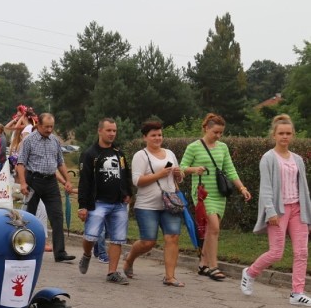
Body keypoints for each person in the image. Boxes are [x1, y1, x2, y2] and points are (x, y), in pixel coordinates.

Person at [241, 114, 311, 305]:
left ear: (293, 135)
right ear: (274, 135)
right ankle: (249, 272)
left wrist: (308, 215)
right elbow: (265, 188)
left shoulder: (297, 159)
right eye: (281, 133)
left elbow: (303, 188)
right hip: (278, 212)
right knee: (276, 253)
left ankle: (297, 293)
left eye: (288, 133)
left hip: (298, 209)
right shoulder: (268, 158)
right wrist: (270, 211)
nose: (285, 137)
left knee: (302, 252)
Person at [180, 113, 252, 280]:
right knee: (215, 228)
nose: (218, 136)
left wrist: (242, 188)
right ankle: (214, 266)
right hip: (203, 194)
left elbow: (230, 169)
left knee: (212, 231)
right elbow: (182, 167)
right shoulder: (194, 147)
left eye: (221, 133)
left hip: (219, 194)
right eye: (215, 132)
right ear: (206, 128)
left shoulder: (223, 147)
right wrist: (194, 169)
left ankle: (203, 265)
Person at [123, 120, 186, 287]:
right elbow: (137, 181)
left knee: (172, 237)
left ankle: (170, 277)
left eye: (160, 134)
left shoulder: (170, 153)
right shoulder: (140, 155)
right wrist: (159, 174)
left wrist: (179, 174)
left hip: (170, 203)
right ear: (145, 137)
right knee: (148, 242)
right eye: (153, 135)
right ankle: (129, 259)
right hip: (147, 205)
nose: (157, 138)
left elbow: (177, 178)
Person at [77, 118, 133, 284]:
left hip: (118, 203)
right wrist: (82, 206)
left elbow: (125, 174)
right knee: (91, 235)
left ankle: (112, 273)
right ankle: (87, 255)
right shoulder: (90, 154)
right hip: (98, 202)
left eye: (114, 131)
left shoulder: (119, 153)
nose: (112, 134)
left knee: (117, 238)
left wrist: (128, 192)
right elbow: (84, 182)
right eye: (109, 130)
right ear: (100, 131)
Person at [15, 113, 76, 262]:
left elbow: (60, 162)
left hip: (50, 183)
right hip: (33, 181)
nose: (49, 130)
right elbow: (21, 163)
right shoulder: (29, 140)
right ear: (39, 125)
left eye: (51, 127)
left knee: (57, 216)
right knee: (29, 217)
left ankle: (60, 252)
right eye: (46, 127)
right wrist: (23, 183)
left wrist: (67, 180)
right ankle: (22, 248)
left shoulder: (54, 141)